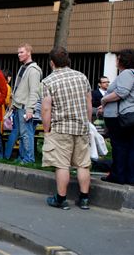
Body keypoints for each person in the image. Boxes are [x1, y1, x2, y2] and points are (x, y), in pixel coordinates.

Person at [41, 47, 92, 210]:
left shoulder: (48, 82)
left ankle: (61, 199)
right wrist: (87, 123)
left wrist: (47, 129)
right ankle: (84, 199)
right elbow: (88, 104)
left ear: (52, 63)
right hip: (81, 126)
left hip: (61, 127)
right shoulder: (81, 77)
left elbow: (46, 109)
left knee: (62, 164)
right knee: (83, 164)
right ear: (68, 60)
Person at [99, 49, 134, 185]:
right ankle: (130, 176)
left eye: (117, 58)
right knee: (129, 147)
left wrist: (104, 100)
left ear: (123, 60)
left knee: (120, 146)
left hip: (120, 118)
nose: (116, 60)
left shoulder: (126, 73)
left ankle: (118, 175)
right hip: (127, 116)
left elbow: (121, 92)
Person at [4, 43, 42, 164]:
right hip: (18, 106)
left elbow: (34, 91)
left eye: (21, 52)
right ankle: (22, 157)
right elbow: (19, 88)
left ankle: (29, 159)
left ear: (29, 53)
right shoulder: (23, 67)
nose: (18, 54)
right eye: (18, 52)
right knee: (21, 134)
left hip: (26, 107)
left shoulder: (34, 71)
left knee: (27, 134)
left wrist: (30, 109)